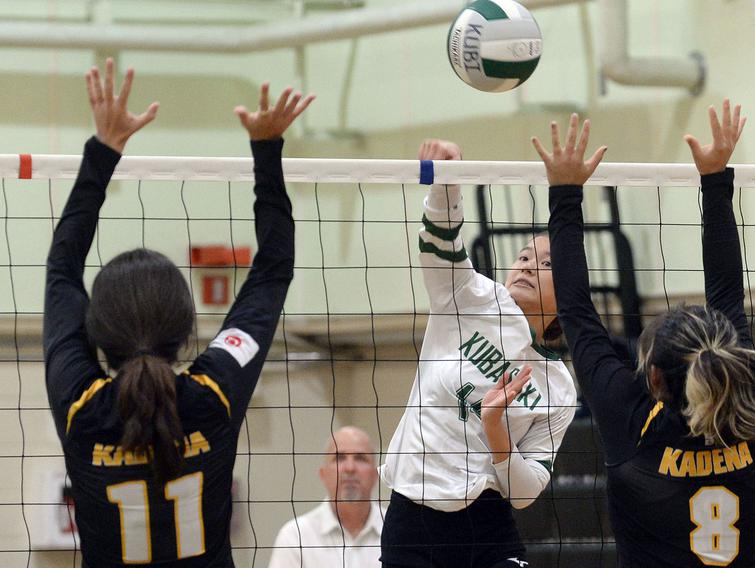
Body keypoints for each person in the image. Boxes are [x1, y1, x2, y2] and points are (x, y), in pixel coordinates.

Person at [43, 58, 313, 566]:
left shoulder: (82, 406)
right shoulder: (212, 396)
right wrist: (267, 148)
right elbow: (274, 269)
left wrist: (102, 151)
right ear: (186, 329)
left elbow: (60, 270)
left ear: (97, 334)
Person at [541, 102, 755, 567]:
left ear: (655, 378)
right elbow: (579, 313)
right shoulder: (745, 411)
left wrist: (566, 193)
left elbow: (576, 311)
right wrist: (564, 192)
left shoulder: (636, 419)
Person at [379, 140, 578, 567]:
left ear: (570, 294)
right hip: (412, 512)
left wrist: (496, 431)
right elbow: (440, 240)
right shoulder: (471, 297)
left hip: (484, 525)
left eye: (545, 264)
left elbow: (525, 495)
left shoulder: (558, 385)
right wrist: (446, 180)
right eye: (524, 256)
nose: (526, 265)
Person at [268, 427, 383, 568]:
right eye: (339, 458)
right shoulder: (295, 536)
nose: (350, 467)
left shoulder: (399, 532)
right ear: (323, 474)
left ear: (375, 474)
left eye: (360, 458)